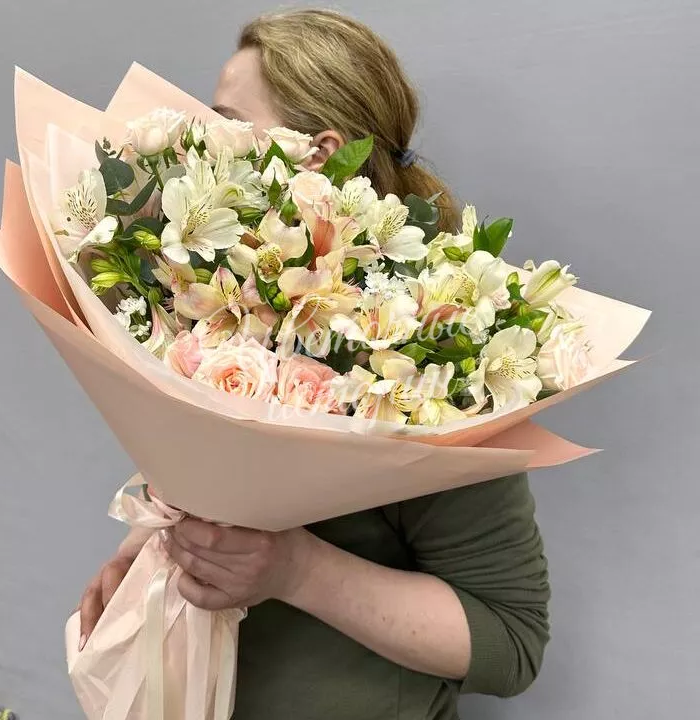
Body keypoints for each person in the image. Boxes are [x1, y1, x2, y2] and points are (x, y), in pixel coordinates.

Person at [79, 9, 550, 720]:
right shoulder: (218, 300)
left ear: (318, 155)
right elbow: (208, 474)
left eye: (226, 122)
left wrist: (297, 569)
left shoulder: (434, 355)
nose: (199, 143)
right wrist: (152, 542)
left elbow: (512, 643)